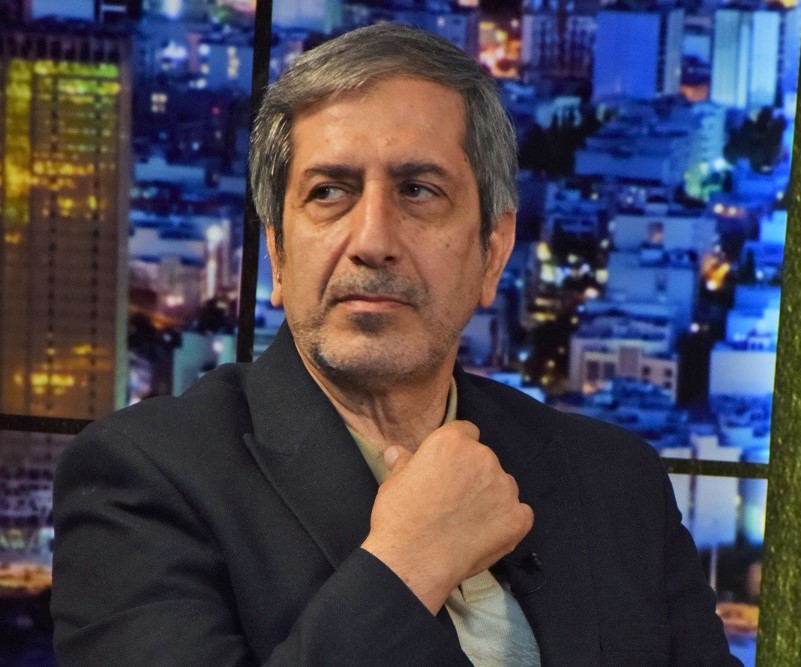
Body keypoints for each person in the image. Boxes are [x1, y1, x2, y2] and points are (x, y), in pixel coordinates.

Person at [51, 24, 740, 666]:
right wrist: (410, 562)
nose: (373, 240)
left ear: (493, 251)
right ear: (278, 255)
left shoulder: (616, 483)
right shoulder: (145, 479)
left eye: (418, 190)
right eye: (329, 192)